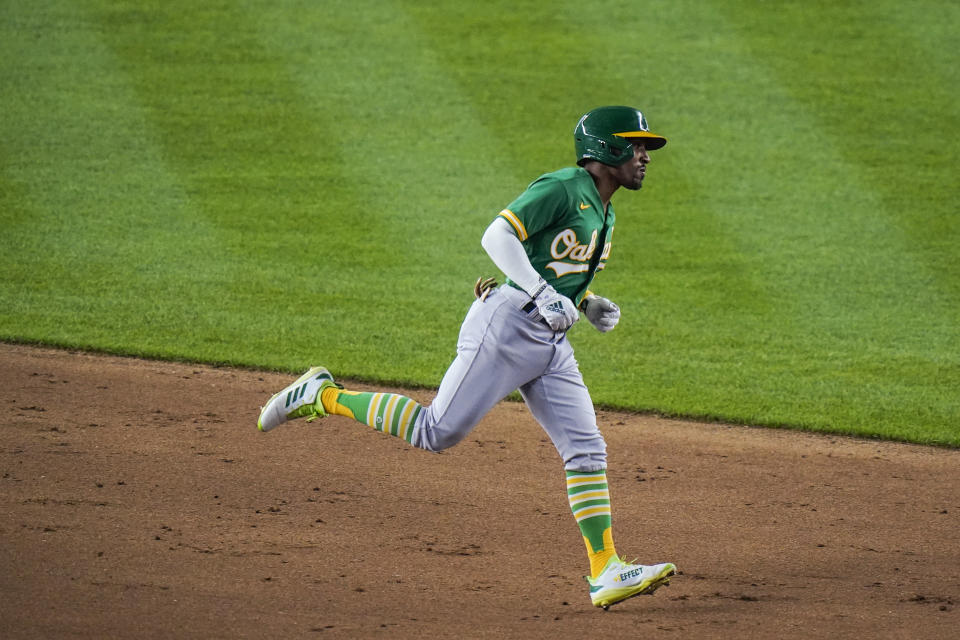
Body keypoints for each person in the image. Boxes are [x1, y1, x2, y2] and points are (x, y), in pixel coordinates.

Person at [257, 106, 677, 610]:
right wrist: (545, 292)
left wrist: (585, 302)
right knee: (436, 432)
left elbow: (551, 263)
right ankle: (321, 395)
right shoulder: (564, 187)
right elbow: (496, 236)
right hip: (506, 328)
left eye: (645, 149)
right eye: (635, 146)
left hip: (550, 343)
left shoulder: (605, 208)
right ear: (606, 147)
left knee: (587, 449)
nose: (643, 156)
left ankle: (604, 569)